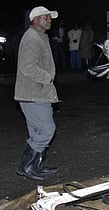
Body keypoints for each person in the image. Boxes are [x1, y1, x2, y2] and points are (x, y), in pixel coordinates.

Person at [15, 6, 60, 180]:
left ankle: (36, 165)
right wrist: (47, 77)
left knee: (37, 131)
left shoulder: (40, 36)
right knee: (47, 130)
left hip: (38, 92)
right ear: (35, 19)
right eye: (45, 17)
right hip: (33, 93)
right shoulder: (32, 37)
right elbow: (27, 67)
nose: (49, 20)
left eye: (50, 17)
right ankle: (25, 166)